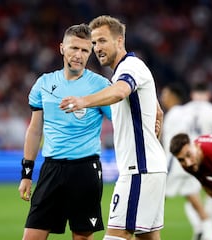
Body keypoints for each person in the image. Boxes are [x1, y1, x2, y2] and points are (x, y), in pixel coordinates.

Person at [59, 15, 167, 240]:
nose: (97, 48)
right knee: (147, 237)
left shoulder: (130, 67)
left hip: (139, 170)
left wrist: (83, 101)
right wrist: (155, 107)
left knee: (116, 236)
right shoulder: (129, 69)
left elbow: (120, 91)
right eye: (94, 43)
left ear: (119, 41)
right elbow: (145, 100)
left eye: (102, 41)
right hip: (148, 168)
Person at [18, 23, 112, 240]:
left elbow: (121, 121)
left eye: (84, 50)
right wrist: (26, 174)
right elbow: (34, 130)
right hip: (51, 169)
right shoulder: (44, 83)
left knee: (82, 237)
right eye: (74, 48)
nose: (78, 55)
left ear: (90, 52)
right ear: (62, 48)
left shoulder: (101, 86)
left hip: (85, 169)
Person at [161, 83, 212, 240]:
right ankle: (208, 234)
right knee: (195, 202)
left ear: (173, 96)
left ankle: (142, 230)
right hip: (190, 164)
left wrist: (167, 168)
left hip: (176, 165)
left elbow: (176, 145)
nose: (162, 97)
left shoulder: (174, 114)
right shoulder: (187, 112)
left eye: (165, 94)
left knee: (155, 198)